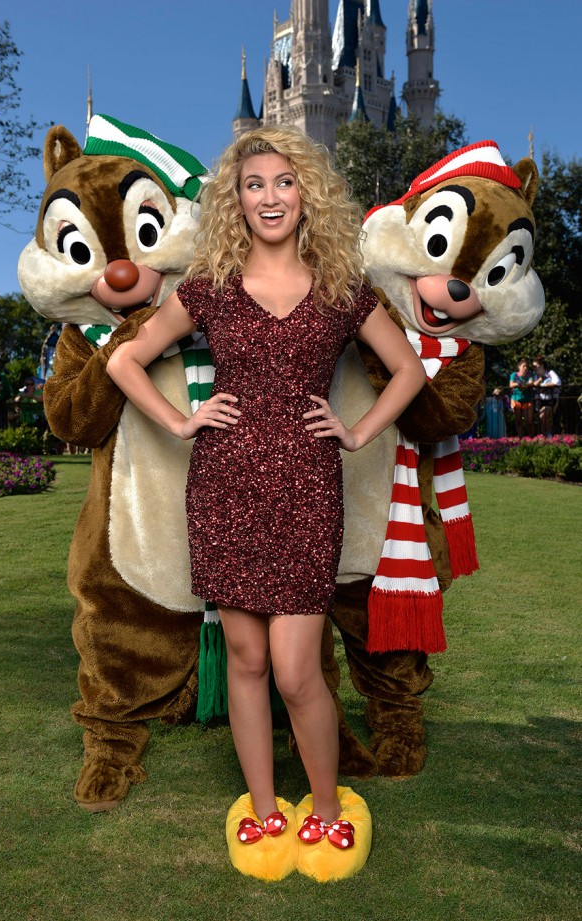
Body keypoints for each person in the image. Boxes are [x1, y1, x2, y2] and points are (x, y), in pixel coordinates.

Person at [106, 126, 426, 882]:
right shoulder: (210, 286)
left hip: (308, 490)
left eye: (283, 182)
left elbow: (408, 371)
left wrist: (355, 431)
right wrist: (183, 419)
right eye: (254, 185)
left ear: (305, 192)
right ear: (235, 200)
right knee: (246, 658)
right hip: (223, 487)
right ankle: (263, 808)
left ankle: (322, 808)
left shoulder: (342, 287)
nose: (269, 197)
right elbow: (124, 358)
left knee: (294, 669)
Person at [533, 355, 561, 437]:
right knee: (542, 418)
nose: (534, 369)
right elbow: (534, 386)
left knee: (544, 415)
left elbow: (557, 382)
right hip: (540, 400)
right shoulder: (536, 377)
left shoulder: (550, 373)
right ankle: (546, 435)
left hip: (550, 399)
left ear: (541, 366)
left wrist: (546, 385)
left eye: (535, 366)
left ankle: (548, 434)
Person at [509, 359, 535, 437]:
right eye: (524, 366)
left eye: (527, 366)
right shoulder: (514, 375)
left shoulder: (530, 374)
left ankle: (532, 437)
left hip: (527, 400)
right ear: (519, 367)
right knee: (518, 421)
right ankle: (521, 438)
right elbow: (511, 384)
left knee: (529, 421)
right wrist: (518, 384)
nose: (525, 368)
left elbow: (531, 382)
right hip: (516, 399)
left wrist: (525, 385)